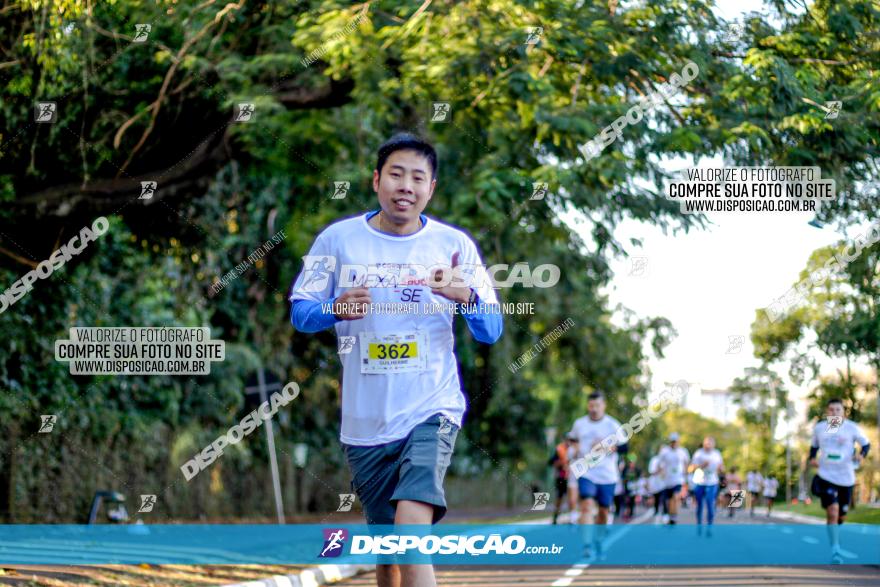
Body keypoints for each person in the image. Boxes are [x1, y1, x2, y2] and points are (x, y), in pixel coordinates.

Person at [289, 133, 503, 587]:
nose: (406, 185)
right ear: (376, 180)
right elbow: (300, 313)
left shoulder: (454, 246)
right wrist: (335, 307)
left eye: (418, 178)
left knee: (409, 533)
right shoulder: (338, 239)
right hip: (366, 420)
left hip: (431, 408)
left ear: (432, 189)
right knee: (386, 552)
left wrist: (463, 295)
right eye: (396, 174)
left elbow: (492, 330)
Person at [809, 398, 871, 564]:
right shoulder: (820, 428)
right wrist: (812, 458)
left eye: (838, 410)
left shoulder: (852, 428)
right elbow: (813, 447)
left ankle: (835, 530)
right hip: (826, 476)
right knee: (833, 512)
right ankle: (835, 549)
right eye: (831, 410)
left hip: (846, 478)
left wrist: (861, 455)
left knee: (841, 516)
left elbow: (866, 444)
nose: (834, 412)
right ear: (827, 412)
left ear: (843, 412)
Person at [569, 391, 628, 559]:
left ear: (604, 405)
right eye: (591, 405)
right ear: (588, 406)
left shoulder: (612, 425)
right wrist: (574, 448)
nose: (594, 409)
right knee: (586, 505)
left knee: (603, 511)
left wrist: (610, 448)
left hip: (607, 475)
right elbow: (572, 438)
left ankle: (599, 540)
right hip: (586, 472)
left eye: (597, 405)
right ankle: (587, 545)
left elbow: (625, 447)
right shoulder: (580, 424)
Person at [690, 436, 724, 534]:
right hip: (700, 482)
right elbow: (691, 468)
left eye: (710, 444)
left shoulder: (717, 454)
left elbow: (721, 466)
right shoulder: (698, 453)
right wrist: (701, 466)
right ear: (704, 444)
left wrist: (721, 468)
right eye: (706, 443)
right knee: (699, 505)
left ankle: (710, 526)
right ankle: (699, 524)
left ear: (714, 445)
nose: (708, 446)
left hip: (712, 483)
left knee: (710, 504)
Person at [657, 432, 690, 525]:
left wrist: (686, 472)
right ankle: (668, 514)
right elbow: (659, 464)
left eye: (675, 441)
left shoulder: (683, 451)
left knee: (675, 497)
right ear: (670, 442)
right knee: (667, 500)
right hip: (667, 480)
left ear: (678, 442)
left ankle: (673, 516)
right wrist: (661, 472)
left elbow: (686, 463)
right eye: (672, 441)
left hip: (678, 479)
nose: (674, 443)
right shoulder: (664, 451)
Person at [550, 434, 577, 524]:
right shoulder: (559, 449)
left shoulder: (578, 449)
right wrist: (562, 463)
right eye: (569, 439)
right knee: (560, 498)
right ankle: (555, 516)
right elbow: (552, 462)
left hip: (574, 478)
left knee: (572, 498)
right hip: (562, 477)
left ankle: (572, 518)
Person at [648, 452, 667, 524]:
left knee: (664, 498)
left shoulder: (666, 460)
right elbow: (651, 471)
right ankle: (656, 513)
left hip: (663, 483)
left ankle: (665, 514)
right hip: (655, 483)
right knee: (656, 498)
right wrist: (658, 470)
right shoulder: (654, 460)